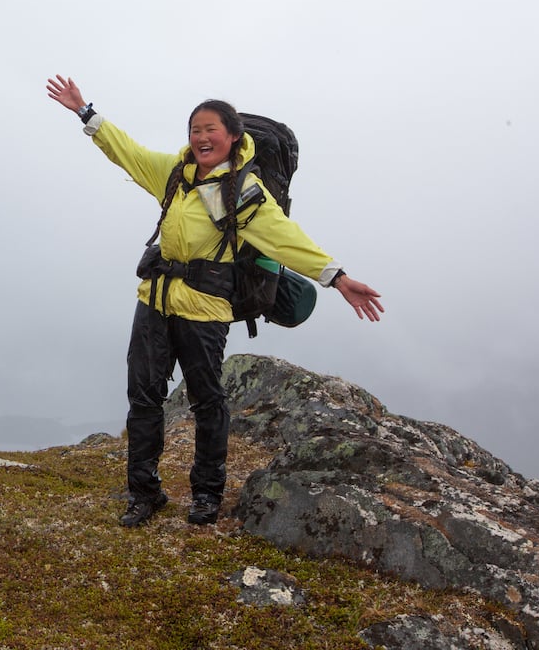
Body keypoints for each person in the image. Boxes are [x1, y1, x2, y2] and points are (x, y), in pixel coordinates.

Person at [45, 75, 383, 528]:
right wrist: (87, 114)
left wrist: (336, 277)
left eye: (211, 131)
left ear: (233, 138)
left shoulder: (242, 193)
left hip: (205, 310)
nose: (202, 138)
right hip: (155, 300)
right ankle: (143, 493)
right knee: (143, 396)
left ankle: (206, 493)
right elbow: (127, 152)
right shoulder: (173, 174)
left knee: (207, 401)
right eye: (194, 131)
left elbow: (285, 239)